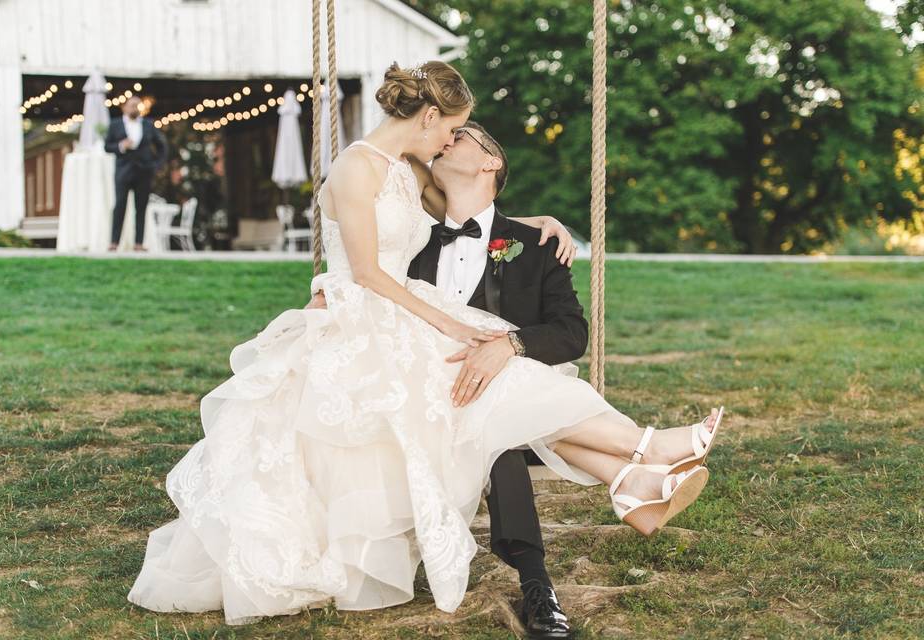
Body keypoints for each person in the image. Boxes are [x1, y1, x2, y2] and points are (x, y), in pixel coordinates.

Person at [127, 62, 725, 629]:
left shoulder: (410, 176)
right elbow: (364, 271)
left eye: (463, 137)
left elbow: (474, 215)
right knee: (490, 394)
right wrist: (449, 325)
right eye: (451, 129)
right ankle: (644, 453)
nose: (448, 142)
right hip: (375, 317)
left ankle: (635, 479)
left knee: (503, 390)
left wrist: (543, 223)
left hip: (403, 314)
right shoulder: (361, 168)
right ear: (430, 118)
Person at [104, 95, 168, 251]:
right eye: (132, 105)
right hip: (123, 171)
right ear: (124, 107)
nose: (134, 108)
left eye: (137, 105)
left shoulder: (148, 125)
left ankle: (139, 243)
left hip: (144, 171)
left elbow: (161, 147)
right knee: (120, 206)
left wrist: (156, 165)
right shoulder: (115, 125)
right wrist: (121, 146)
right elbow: (107, 146)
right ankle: (114, 242)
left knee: (141, 208)